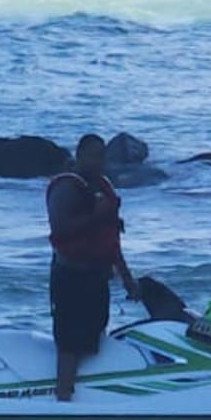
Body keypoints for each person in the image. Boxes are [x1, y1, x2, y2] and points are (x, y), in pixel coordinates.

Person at [46, 134, 137, 402]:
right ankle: (63, 395)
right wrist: (97, 216)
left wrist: (128, 279)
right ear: (79, 156)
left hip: (97, 276)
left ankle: (93, 393)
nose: (98, 162)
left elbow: (111, 242)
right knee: (70, 341)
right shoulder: (66, 187)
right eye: (92, 156)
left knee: (94, 333)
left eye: (102, 156)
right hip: (71, 276)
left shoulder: (103, 187)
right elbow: (60, 228)